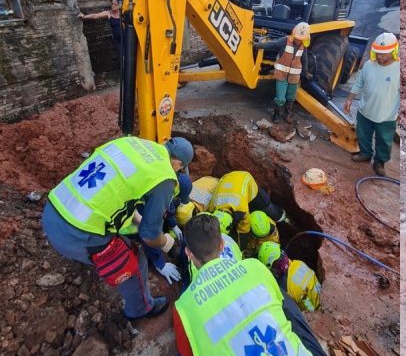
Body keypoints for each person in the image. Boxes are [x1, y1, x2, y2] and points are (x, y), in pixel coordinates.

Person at [174, 214, 342, 356]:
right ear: (222, 244)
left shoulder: (184, 307)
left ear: (189, 253)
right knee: (287, 309)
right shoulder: (256, 267)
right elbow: (282, 309)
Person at [42, 136, 194, 320]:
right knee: (136, 262)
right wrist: (167, 243)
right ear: (177, 163)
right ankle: (141, 309)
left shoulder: (131, 143)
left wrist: (138, 219)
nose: (178, 171)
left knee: (125, 237)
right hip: (76, 233)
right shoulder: (165, 178)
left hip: (54, 207)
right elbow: (149, 236)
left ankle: (85, 258)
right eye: (180, 168)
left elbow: (116, 190)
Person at [121, 172, 193, 285]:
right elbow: (148, 235)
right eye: (177, 196)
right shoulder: (155, 205)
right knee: (143, 243)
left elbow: (169, 204)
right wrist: (160, 264)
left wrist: (173, 224)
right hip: (124, 227)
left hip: (140, 212)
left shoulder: (164, 183)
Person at [344, 32, 400, 177]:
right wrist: (350, 99)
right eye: (378, 53)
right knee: (363, 135)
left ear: (394, 51)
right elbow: (359, 83)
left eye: (384, 54)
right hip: (365, 111)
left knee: (384, 141)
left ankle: (380, 162)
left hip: (386, 116)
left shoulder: (399, 69)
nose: (380, 57)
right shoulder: (369, 65)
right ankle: (365, 153)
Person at [210, 170, 290, 242]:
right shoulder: (213, 205)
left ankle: (286, 220)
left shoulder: (241, 209)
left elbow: (244, 230)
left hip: (246, 181)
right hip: (229, 178)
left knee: (270, 210)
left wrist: (241, 249)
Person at [263, 22, 311, 123]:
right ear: (293, 34)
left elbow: (305, 60)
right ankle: (276, 115)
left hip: (294, 77)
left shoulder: (303, 47)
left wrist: (306, 73)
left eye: (301, 39)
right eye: (297, 38)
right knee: (281, 98)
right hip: (282, 75)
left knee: (291, 97)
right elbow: (272, 45)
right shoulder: (285, 41)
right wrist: (257, 45)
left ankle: (286, 114)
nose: (298, 41)